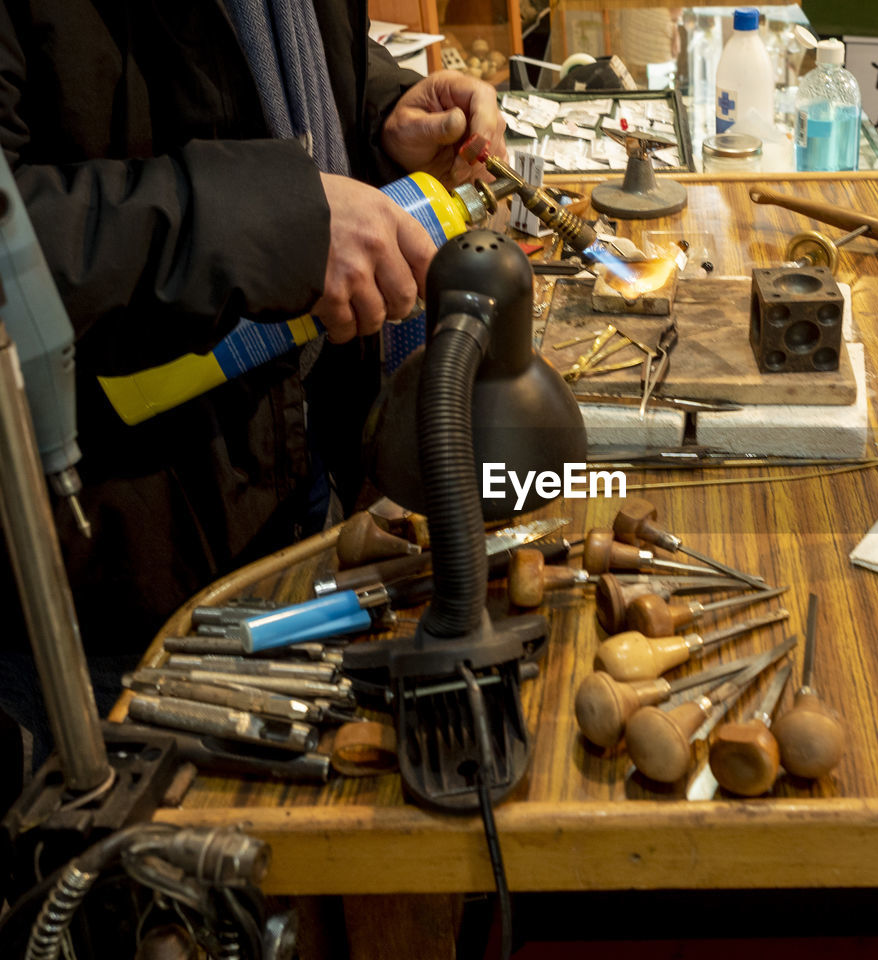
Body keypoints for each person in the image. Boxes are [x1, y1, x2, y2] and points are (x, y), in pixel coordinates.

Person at [0, 0, 507, 765]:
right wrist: (274, 221)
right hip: (108, 565)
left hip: (294, 480)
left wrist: (376, 112)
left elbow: (266, 49)